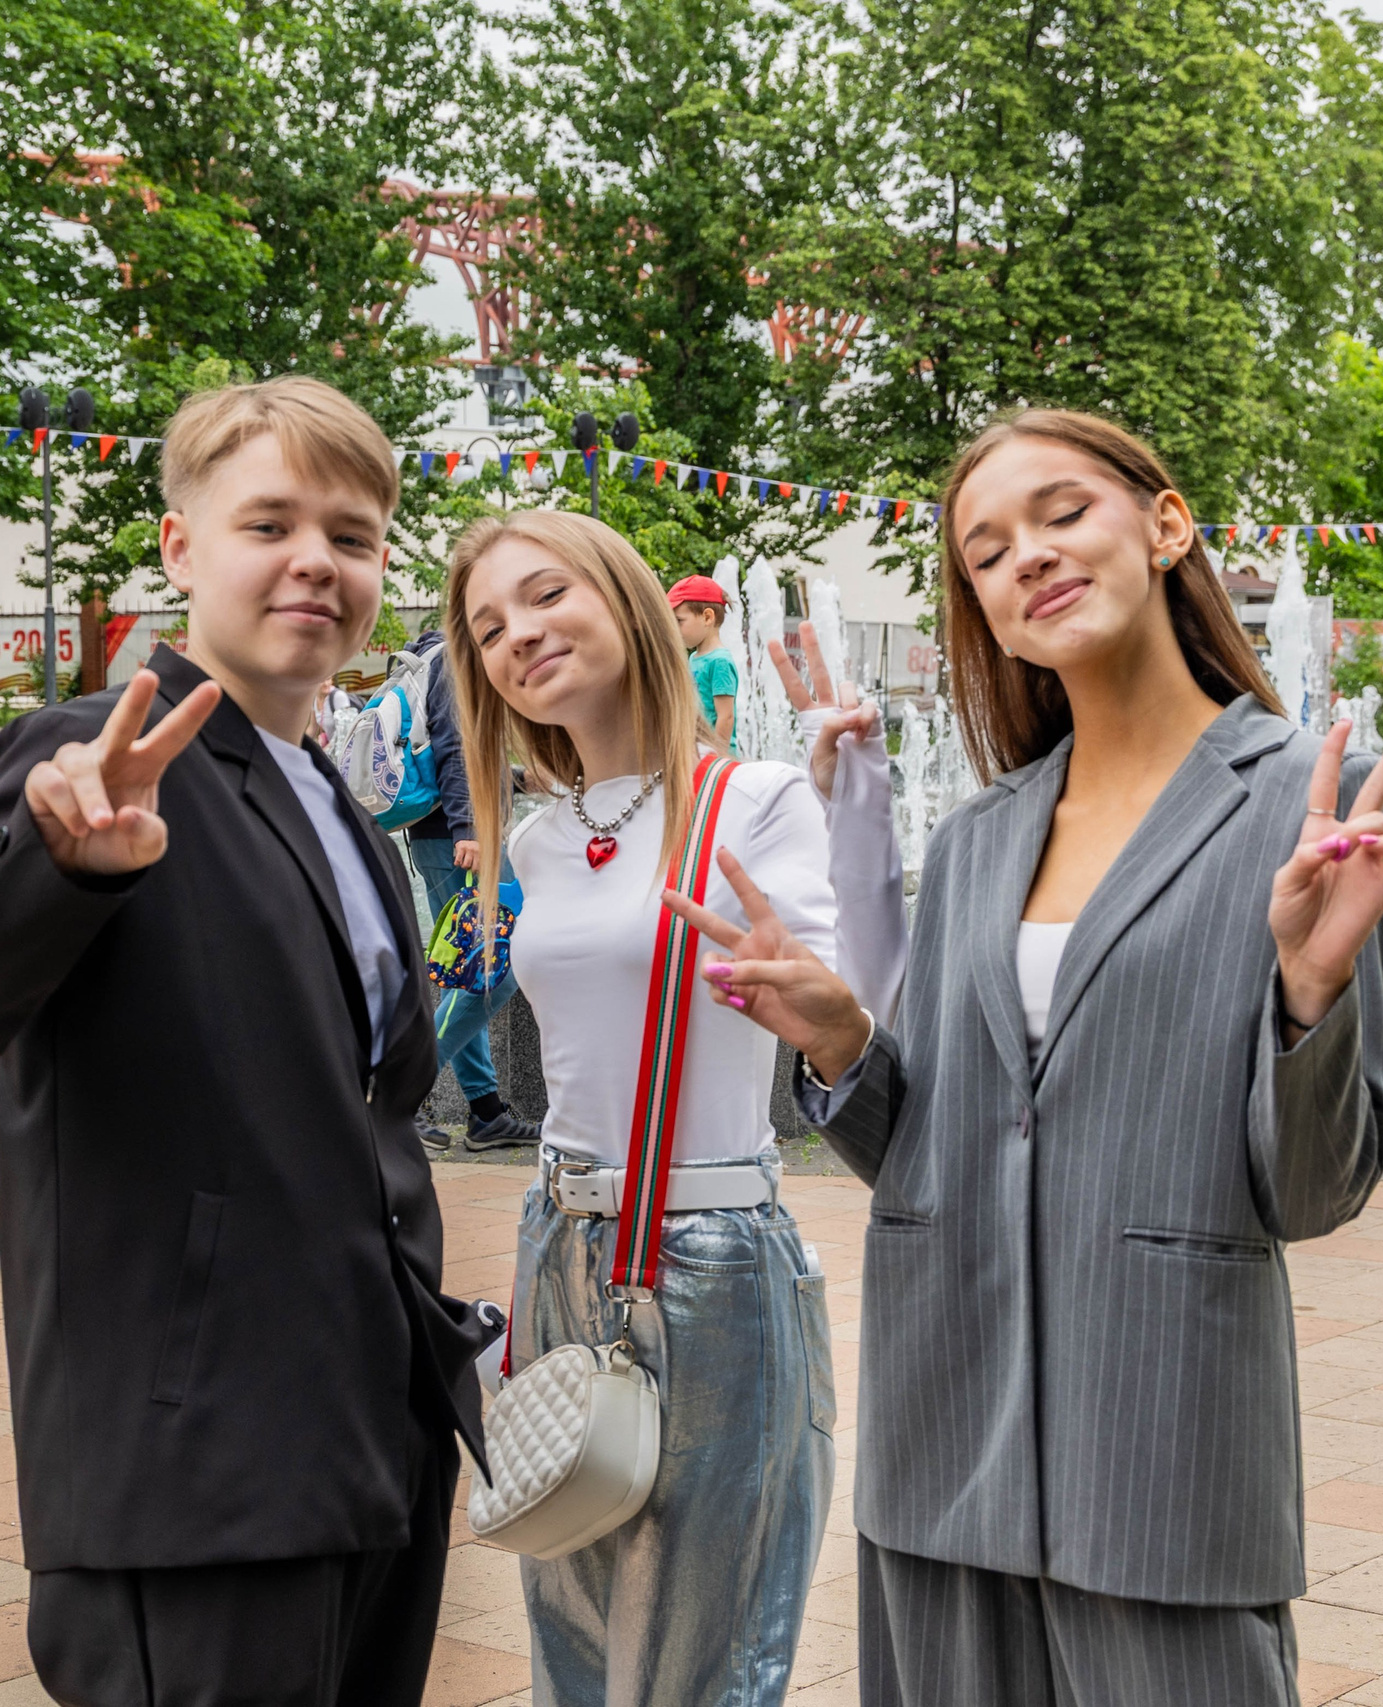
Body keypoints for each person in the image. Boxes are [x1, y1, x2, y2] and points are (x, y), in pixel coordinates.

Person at [683, 409, 1383, 1706]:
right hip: (940, 1444)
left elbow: (1310, 1189)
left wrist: (1308, 990)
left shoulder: (1309, 799)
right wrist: (846, 1043)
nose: (1027, 554)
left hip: (1168, 1452)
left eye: (1062, 511)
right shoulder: (977, 835)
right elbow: (937, 1150)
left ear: (1167, 522)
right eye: (986, 548)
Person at [0, 376, 494, 1707]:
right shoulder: (94, 753)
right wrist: (59, 866)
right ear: (182, 545)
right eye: (272, 522)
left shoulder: (349, 811)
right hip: (196, 1470)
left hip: (374, 1444)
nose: (318, 557)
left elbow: (354, 1129)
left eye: (355, 534)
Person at [444, 511, 837, 1706]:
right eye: (488, 626)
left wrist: (812, 998)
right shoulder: (539, 837)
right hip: (558, 1235)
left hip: (711, 1249)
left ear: (624, 601)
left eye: (545, 595)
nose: (520, 634)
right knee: (571, 1619)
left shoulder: (753, 801)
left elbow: (838, 1026)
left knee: (701, 1649)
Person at [404, 619, 539, 1152]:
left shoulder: (435, 658)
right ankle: (398, 1094)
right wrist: (470, 828)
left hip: (444, 837)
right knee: (502, 965)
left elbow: (456, 752)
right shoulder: (456, 661)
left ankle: (484, 1112)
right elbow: (456, 748)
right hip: (461, 841)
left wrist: (517, 780)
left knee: (474, 970)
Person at [669, 574, 737, 754]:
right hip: (697, 750)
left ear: (707, 617)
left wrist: (717, 757)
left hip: (715, 758)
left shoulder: (719, 661)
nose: (673, 629)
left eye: (678, 621)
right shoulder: (694, 658)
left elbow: (726, 716)